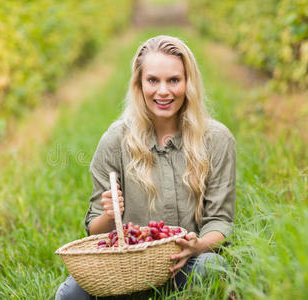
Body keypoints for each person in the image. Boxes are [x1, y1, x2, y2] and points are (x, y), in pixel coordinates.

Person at [56, 35, 235, 300]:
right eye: (153, 80)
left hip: (186, 263)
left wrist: (198, 247)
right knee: (71, 294)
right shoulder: (116, 141)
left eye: (174, 80)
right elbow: (95, 229)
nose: (163, 91)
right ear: (139, 84)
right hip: (129, 268)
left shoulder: (216, 140)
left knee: (214, 270)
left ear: (188, 83)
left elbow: (220, 220)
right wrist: (109, 213)